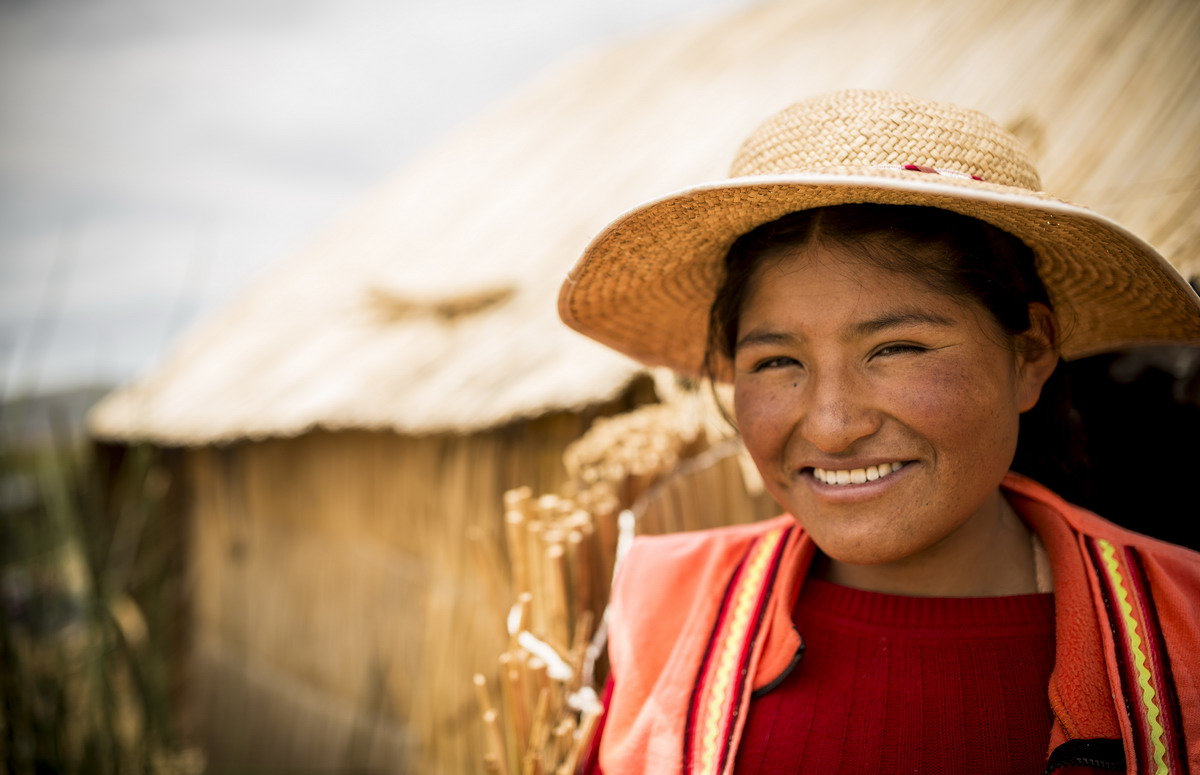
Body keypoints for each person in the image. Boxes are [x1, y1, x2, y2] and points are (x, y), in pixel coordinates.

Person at [557, 90, 1200, 774]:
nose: (832, 426)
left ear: (1030, 351)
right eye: (778, 362)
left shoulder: (1184, 627)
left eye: (895, 349)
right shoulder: (661, 614)